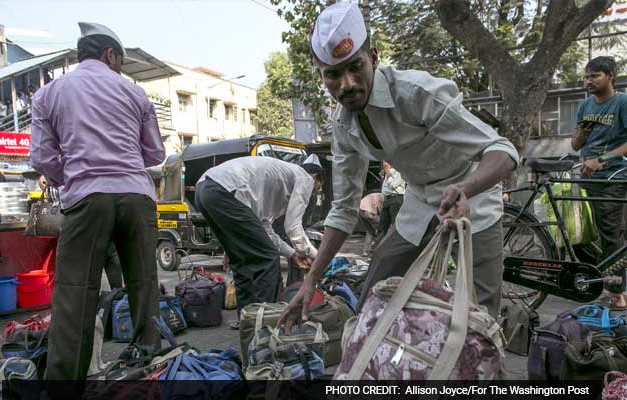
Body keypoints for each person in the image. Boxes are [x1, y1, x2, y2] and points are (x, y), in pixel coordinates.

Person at [279, 2, 518, 328]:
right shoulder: (342, 124)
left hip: (472, 195)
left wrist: (465, 187)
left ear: (373, 59)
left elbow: (501, 150)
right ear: (322, 76)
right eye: (333, 75)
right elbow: (344, 210)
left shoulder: (416, 92)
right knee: (374, 295)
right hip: (419, 200)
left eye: (356, 67)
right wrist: (311, 280)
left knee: (478, 319)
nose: (346, 84)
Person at [30, 22, 165, 380]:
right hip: (137, 196)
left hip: (87, 199)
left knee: (76, 292)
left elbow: (42, 158)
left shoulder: (48, 94)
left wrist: (70, 177)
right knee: (144, 284)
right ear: (110, 55)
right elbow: (155, 153)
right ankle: (149, 367)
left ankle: (64, 385)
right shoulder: (135, 94)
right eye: (120, 61)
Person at [194, 156, 324, 328]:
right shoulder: (304, 178)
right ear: (315, 177)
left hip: (205, 190)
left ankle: (247, 322)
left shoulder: (276, 187)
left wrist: (292, 254)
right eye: (317, 189)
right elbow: (293, 227)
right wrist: (318, 256)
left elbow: (265, 228)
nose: (314, 193)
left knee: (242, 262)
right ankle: (266, 325)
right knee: (268, 259)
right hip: (224, 190)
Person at [571, 56, 627, 305]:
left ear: (610, 75)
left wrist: (602, 159)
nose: (589, 81)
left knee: (609, 235)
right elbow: (575, 144)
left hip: (613, 177)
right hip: (586, 177)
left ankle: (617, 294)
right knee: (579, 232)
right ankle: (594, 281)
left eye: (595, 76)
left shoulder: (622, 102)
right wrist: (582, 130)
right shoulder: (585, 106)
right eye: (587, 76)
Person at [376, 161, 404, 243]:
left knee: (395, 224)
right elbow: (385, 187)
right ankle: (377, 246)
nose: (385, 163)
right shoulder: (387, 171)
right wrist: (384, 175)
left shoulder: (399, 171)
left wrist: (388, 174)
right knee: (382, 225)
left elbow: (393, 185)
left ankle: (397, 244)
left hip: (396, 198)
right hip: (387, 198)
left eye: (386, 161)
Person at [358, 192, 383, 256]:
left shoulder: (377, 195)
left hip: (360, 210)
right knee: (383, 228)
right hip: (369, 211)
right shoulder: (383, 198)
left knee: (369, 232)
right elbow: (380, 210)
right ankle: (376, 248)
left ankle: (365, 252)